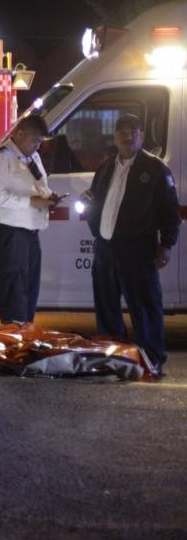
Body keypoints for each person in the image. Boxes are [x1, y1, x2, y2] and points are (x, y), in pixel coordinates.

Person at [83, 114, 180, 376]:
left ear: (142, 136)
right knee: (106, 306)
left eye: (133, 131)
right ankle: (113, 356)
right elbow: (94, 199)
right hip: (106, 248)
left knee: (145, 306)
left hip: (138, 250)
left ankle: (152, 359)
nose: (127, 136)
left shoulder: (156, 169)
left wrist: (166, 245)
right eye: (122, 131)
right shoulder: (105, 167)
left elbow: (170, 212)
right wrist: (95, 227)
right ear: (114, 136)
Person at [0, 114, 56, 324]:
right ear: (19, 133)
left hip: (30, 232)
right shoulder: (2, 157)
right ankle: (13, 345)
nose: (37, 146)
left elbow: (39, 185)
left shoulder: (31, 156)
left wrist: (49, 197)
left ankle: (24, 342)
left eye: (40, 142)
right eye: (34, 140)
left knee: (29, 292)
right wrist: (30, 202)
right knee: (13, 294)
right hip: (10, 233)